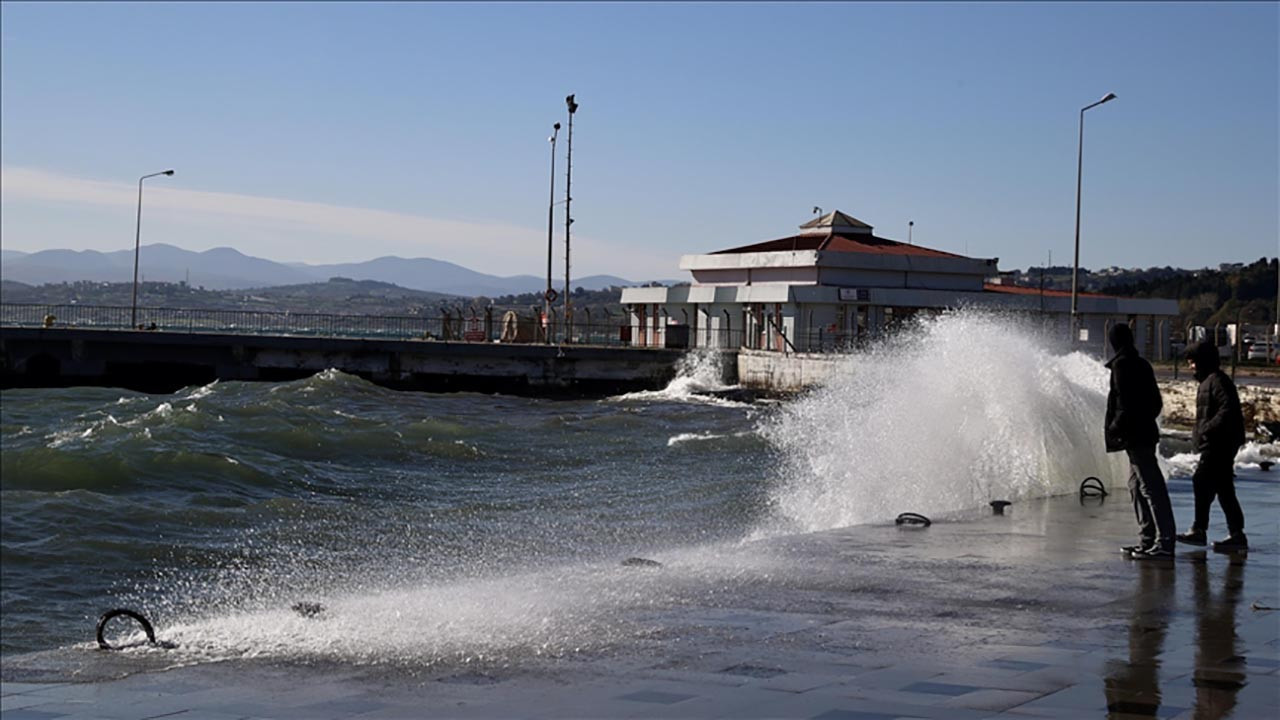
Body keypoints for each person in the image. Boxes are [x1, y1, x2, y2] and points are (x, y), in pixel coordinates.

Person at [1105, 322, 1176, 559]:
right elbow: (1156, 403)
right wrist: (1143, 421)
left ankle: (1164, 542)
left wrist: (1116, 427)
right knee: (1136, 486)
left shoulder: (1122, 365)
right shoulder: (1142, 364)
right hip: (1144, 434)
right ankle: (1147, 539)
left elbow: (1123, 404)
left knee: (1150, 487)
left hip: (1134, 436)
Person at [1177, 342, 1247, 552]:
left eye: (1193, 362)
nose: (1190, 366)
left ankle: (1200, 530)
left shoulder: (1217, 381)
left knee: (1201, 481)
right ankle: (1236, 534)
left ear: (1203, 361)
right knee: (1223, 489)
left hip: (1219, 443)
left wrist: (1206, 430)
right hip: (1219, 442)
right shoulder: (1210, 381)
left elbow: (1228, 408)